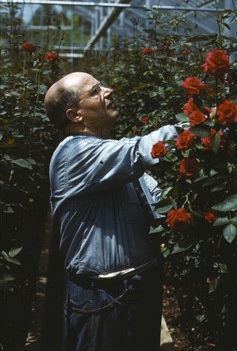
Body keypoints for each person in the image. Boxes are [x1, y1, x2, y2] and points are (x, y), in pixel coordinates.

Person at [44, 71, 178, 351]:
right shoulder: (73, 154)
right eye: (95, 91)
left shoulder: (112, 159)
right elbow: (141, 151)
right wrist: (202, 124)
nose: (109, 90)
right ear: (75, 115)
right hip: (102, 299)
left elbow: (160, 208)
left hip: (141, 288)